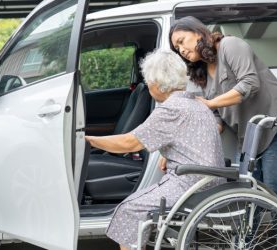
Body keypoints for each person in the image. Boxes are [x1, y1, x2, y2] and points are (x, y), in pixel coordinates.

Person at [85, 49, 225, 250]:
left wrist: (88, 140)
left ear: (158, 84)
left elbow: (129, 143)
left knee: (128, 210)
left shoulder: (171, 109)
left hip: (192, 182)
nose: (149, 86)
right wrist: (165, 154)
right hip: (207, 178)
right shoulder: (194, 102)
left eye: (149, 82)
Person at [169, 16, 277, 212]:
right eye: (176, 49)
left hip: (276, 125)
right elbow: (216, 114)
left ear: (198, 32)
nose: (181, 50)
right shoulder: (202, 73)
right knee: (248, 195)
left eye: (181, 41)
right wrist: (207, 130)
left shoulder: (229, 45)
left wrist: (210, 103)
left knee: (276, 193)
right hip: (249, 137)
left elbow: (250, 83)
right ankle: (249, 242)